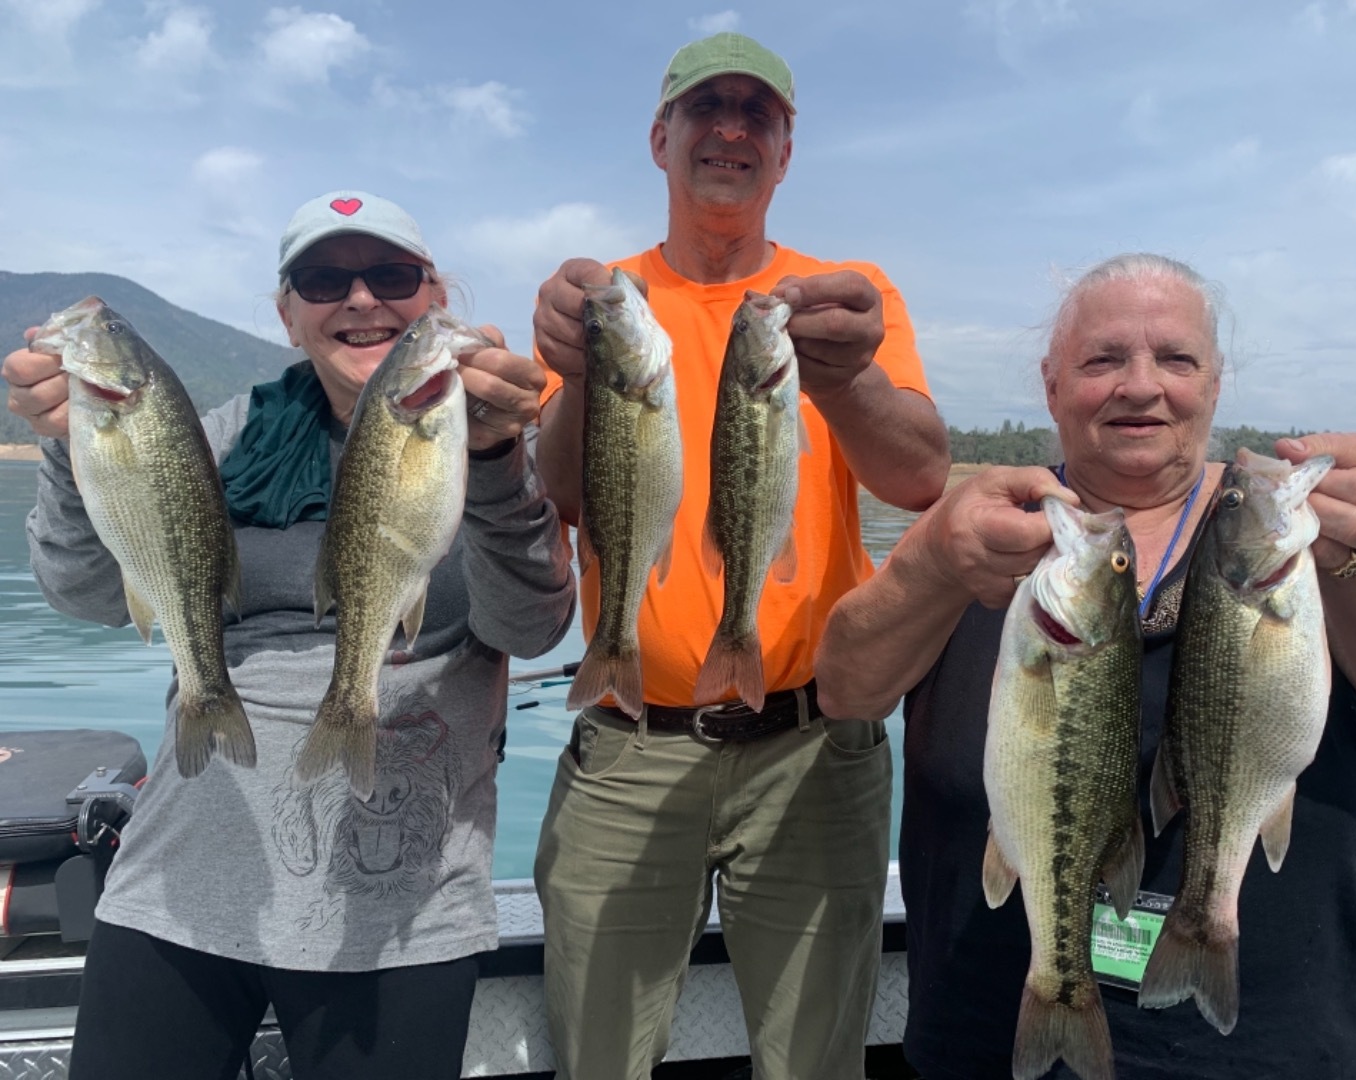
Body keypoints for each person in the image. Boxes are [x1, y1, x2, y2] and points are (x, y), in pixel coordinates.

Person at [815, 252, 1356, 1080]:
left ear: (1215, 384)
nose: (1141, 386)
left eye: (1175, 360)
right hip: (985, 1037)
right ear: (1051, 384)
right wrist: (929, 560)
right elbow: (846, 689)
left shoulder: (1315, 542)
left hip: (1282, 1047)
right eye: (1103, 359)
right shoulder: (981, 532)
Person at [0, 190, 575, 1080]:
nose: (359, 299)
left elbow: (533, 628)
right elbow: (86, 596)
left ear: (435, 298)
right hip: (180, 878)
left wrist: (498, 464)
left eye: (390, 275)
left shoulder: (490, 432)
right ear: (287, 312)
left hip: (398, 904)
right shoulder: (217, 437)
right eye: (323, 278)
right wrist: (76, 457)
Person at [529, 32, 951, 1080]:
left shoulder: (848, 300)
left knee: (815, 1062)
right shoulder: (603, 301)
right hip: (628, 745)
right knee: (599, 1058)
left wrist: (846, 382)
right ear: (659, 136)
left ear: (786, 149)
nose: (728, 130)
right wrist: (580, 373)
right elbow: (566, 493)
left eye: (755, 114)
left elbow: (920, 478)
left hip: (814, 750)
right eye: (704, 108)